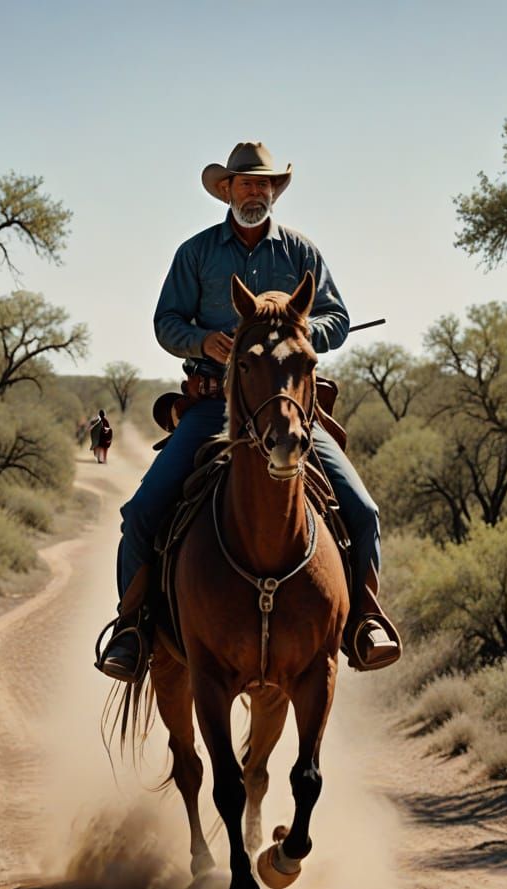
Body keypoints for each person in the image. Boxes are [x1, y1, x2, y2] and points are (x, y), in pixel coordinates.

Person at [96, 141, 401, 682]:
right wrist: (203, 340)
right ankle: (132, 629)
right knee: (142, 511)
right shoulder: (196, 254)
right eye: (246, 183)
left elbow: (336, 317)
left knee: (362, 509)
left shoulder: (302, 253)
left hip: (289, 410)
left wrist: (296, 327)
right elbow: (166, 321)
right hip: (216, 406)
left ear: (273, 192)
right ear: (227, 190)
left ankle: (365, 619)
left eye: (264, 184)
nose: (255, 192)